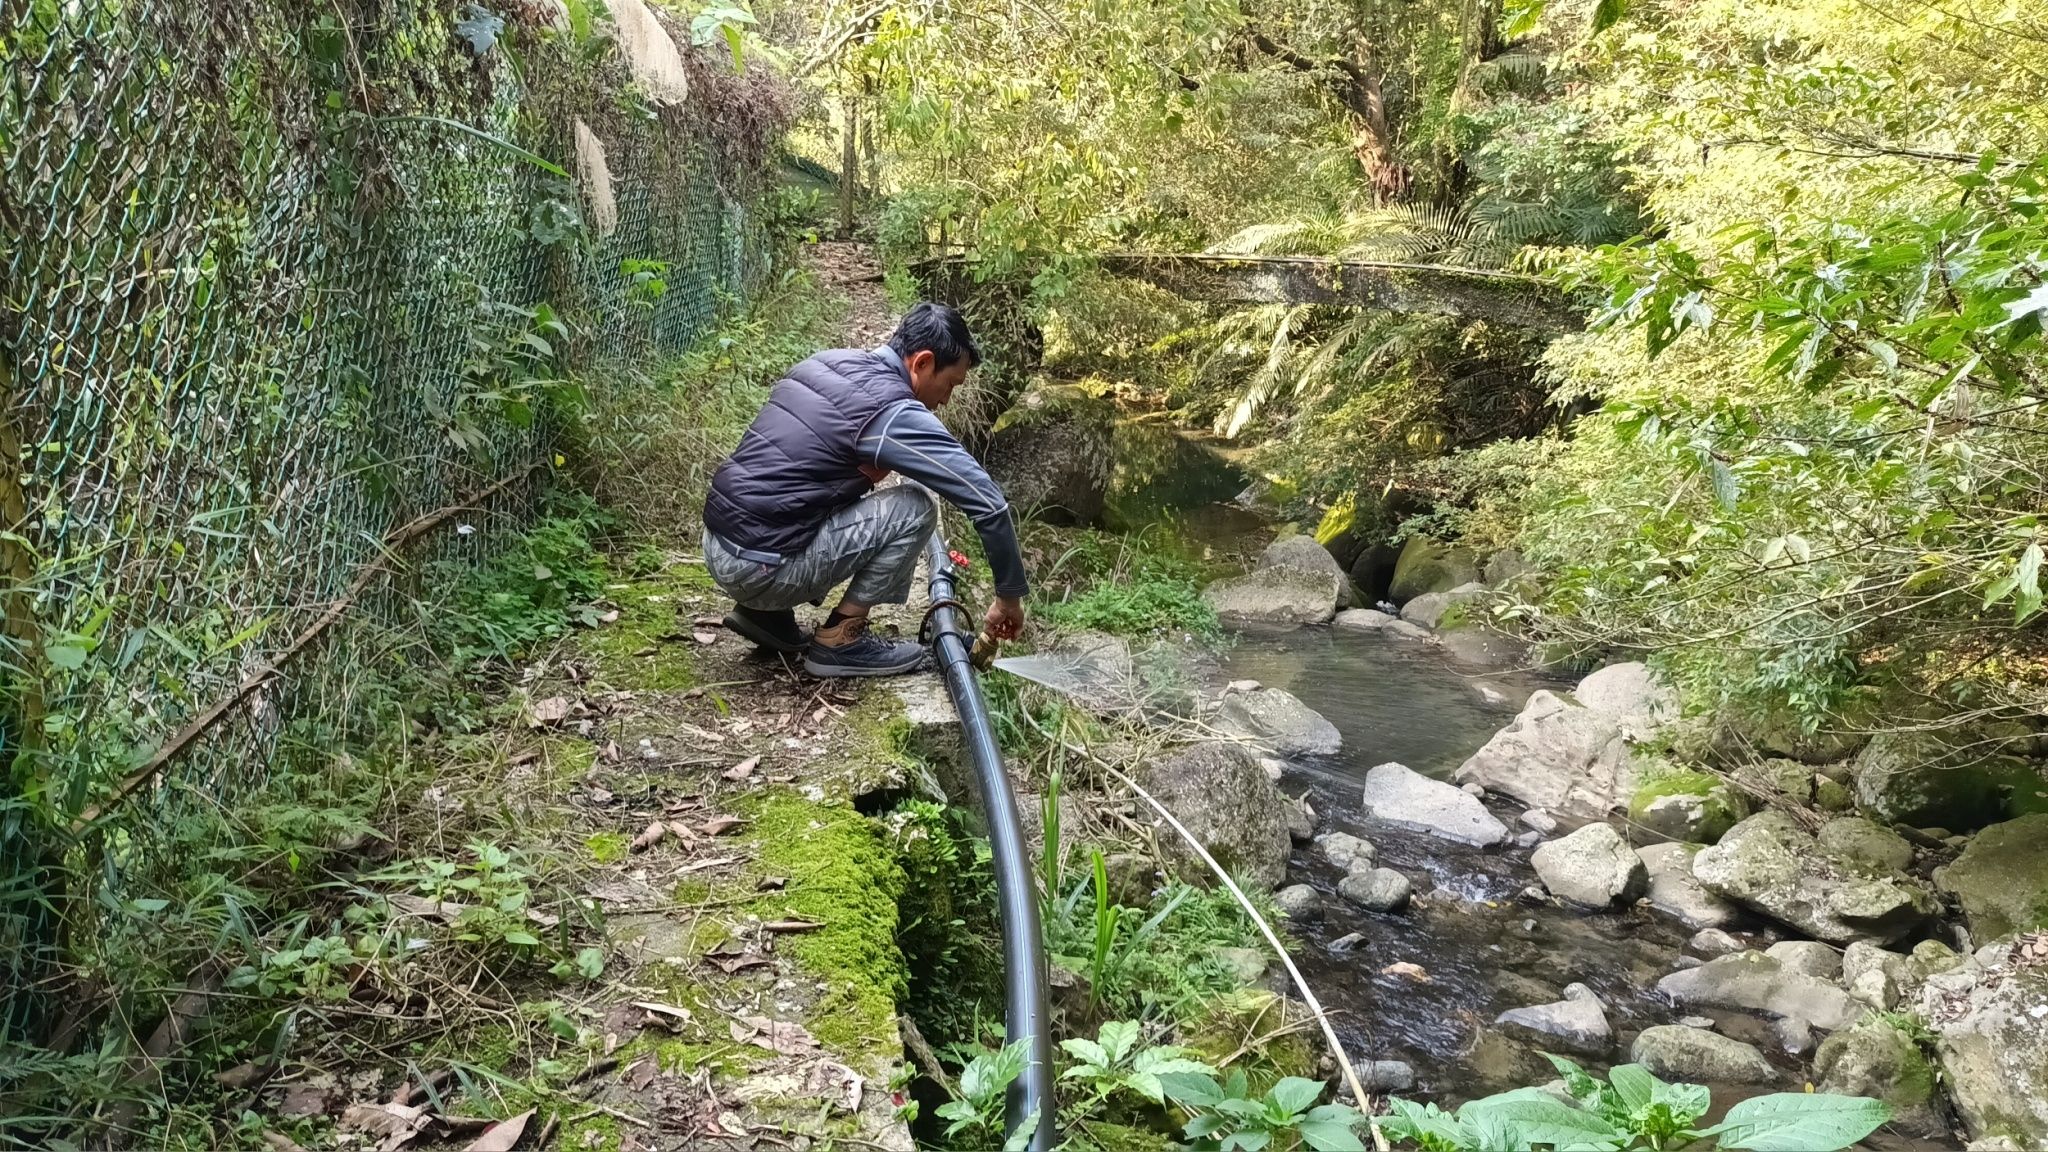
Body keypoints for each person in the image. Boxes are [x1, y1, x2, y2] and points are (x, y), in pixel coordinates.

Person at [700, 302, 1029, 677]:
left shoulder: (827, 361)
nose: (946, 400)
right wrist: (1008, 598)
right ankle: (842, 640)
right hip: (760, 569)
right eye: (950, 384)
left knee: (811, 487)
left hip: (717, 546)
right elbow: (987, 502)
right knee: (916, 508)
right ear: (921, 363)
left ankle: (764, 614)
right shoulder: (892, 412)